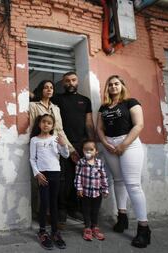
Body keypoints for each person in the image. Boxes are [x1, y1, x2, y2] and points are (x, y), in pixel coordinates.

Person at [96, 75, 151, 248]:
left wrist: (123, 145)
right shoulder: (103, 107)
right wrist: (105, 143)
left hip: (129, 144)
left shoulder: (131, 102)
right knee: (118, 181)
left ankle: (144, 229)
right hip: (110, 145)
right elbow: (99, 128)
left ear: (122, 86)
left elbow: (139, 125)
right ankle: (122, 217)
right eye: (110, 84)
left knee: (133, 185)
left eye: (116, 84)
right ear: (107, 88)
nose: (113, 86)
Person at [51, 72, 95, 226]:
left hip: (82, 144)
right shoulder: (57, 99)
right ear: (63, 83)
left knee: (80, 178)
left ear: (78, 82)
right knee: (64, 179)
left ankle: (74, 208)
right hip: (63, 144)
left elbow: (89, 123)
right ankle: (62, 209)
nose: (70, 83)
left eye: (73, 80)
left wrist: (92, 143)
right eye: (67, 81)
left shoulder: (85, 100)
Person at [29, 114, 69, 250]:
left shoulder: (55, 139)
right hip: (43, 175)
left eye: (49, 123)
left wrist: (63, 145)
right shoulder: (34, 140)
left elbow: (65, 155)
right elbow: (32, 159)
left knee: (53, 203)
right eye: (43, 122)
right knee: (44, 202)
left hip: (55, 173)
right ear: (39, 124)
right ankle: (42, 231)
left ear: (53, 126)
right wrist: (37, 174)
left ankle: (55, 232)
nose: (46, 124)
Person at [74, 139, 109, 241]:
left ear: (96, 151)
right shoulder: (81, 162)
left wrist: (105, 189)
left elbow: (103, 176)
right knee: (86, 210)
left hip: (97, 193)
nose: (88, 152)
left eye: (91, 149)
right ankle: (87, 228)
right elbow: (78, 176)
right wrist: (79, 188)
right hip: (85, 192)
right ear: (82, 151)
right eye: (86, 149)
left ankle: (95, 227)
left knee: (95, 210)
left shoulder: (99, 163)